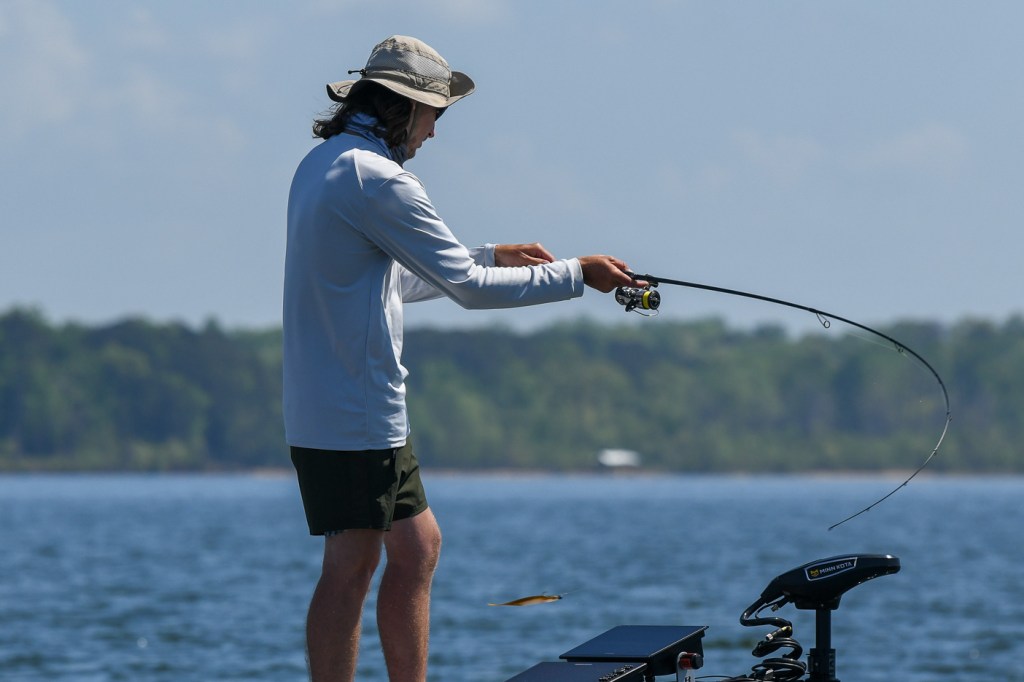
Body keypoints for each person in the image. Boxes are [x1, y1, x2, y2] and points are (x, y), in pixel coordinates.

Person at [283, 35, 638, 682]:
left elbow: (396, 279)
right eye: (434, 115)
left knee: (417, 548)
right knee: (351, 568)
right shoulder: (381, 181)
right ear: (403, 107)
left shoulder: (327, 164)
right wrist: (576, 274)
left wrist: (491, 255)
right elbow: (468, 291)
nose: (434, 133)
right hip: (354, 414)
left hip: (349, 409)